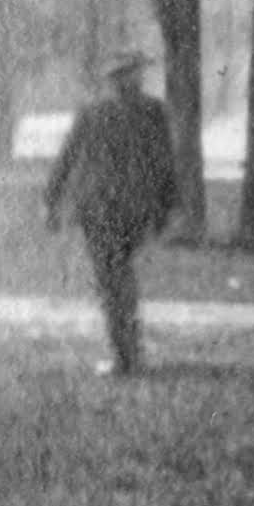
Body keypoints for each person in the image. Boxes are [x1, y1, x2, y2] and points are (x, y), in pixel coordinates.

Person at [44, 50, 179, 376]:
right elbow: (164, 164)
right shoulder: (151, 111)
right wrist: (167, 206)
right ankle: (129, 354)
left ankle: (125, 357)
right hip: (127, 207)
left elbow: (67, 158)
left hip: (102, 207)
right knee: (120, 278)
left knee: (112, 281)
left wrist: (51, 202)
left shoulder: (95, 111)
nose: (133, 78)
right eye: (131, 73)